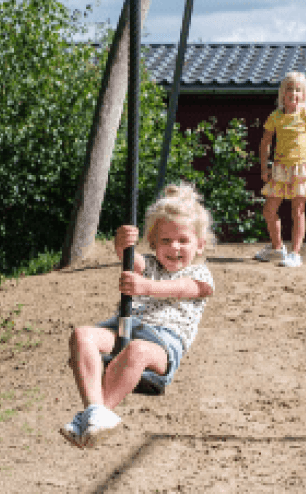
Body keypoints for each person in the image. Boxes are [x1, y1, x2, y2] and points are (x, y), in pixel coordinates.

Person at [60, 183, 215, 449]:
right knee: (82, 335)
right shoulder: (150, 264)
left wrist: (147, 287)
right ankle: (94, 412)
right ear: (153, 243)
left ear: (200, 245)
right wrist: (122, 243)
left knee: (138, 351)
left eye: (183, 240)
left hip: (163, 343)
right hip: (126, 327)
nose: (174, 247)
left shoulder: (200, 274)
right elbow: (131, 259)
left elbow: (184, 289)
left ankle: (92, 417)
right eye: (165, 240)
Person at [254, 71, 306, 268]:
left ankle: (295, 253)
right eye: (290, 89)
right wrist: (265, 167)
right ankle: (277, 248)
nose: (294, 93)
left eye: (298, 90)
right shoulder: (276, 116)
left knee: (298, 210)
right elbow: (265, 143)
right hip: (280, 168)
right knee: (269, 210)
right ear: (283, 93)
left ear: (303, 94)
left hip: (301, 168)